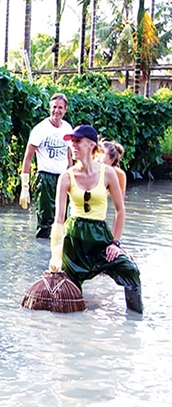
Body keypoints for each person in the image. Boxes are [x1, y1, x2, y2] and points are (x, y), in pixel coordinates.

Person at [48, 125, 143, 313]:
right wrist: (56, 254)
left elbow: (120, 210)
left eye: (77, 141)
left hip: (100, 238)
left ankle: (135, 320)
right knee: (70, 292)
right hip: (74, 241)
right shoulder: (66, 177)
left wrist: (115, 243)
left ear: (91, 145)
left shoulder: (108, 173)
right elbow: (59, 219)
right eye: (72, 142)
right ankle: (72, 332)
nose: (73, 146)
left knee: (130, 270)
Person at [20, 93, 73, 238]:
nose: (57, 111)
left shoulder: (68, 129)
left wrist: (72, 180)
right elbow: (28, 157)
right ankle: (42, 253)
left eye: (60, 108)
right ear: (49, 108)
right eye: (54, 107)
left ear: (65, 110)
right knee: (45, 219)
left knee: (62, 218)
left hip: (63, 177)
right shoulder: (40, 129)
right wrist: (25, 186)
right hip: (45, 178)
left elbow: (69, 157)